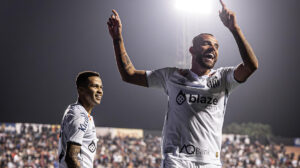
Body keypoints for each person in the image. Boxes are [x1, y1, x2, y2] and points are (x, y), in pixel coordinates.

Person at [107, 0, 258, 167]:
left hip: (211, 163)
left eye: (216, 46)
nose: (212, 48)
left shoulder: (224, 78)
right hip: (177, 160)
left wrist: (234, 29)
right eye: (206, 43)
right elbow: (129, 74)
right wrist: (117, 39)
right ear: (192, 50)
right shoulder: (171, 76)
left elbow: (251, 66)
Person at [58, 71, 103, 168]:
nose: (100, 90)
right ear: (81, 90)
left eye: (101, 87)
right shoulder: (80, 116)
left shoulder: (79, 112)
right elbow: (71, 157)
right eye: (95, 86)